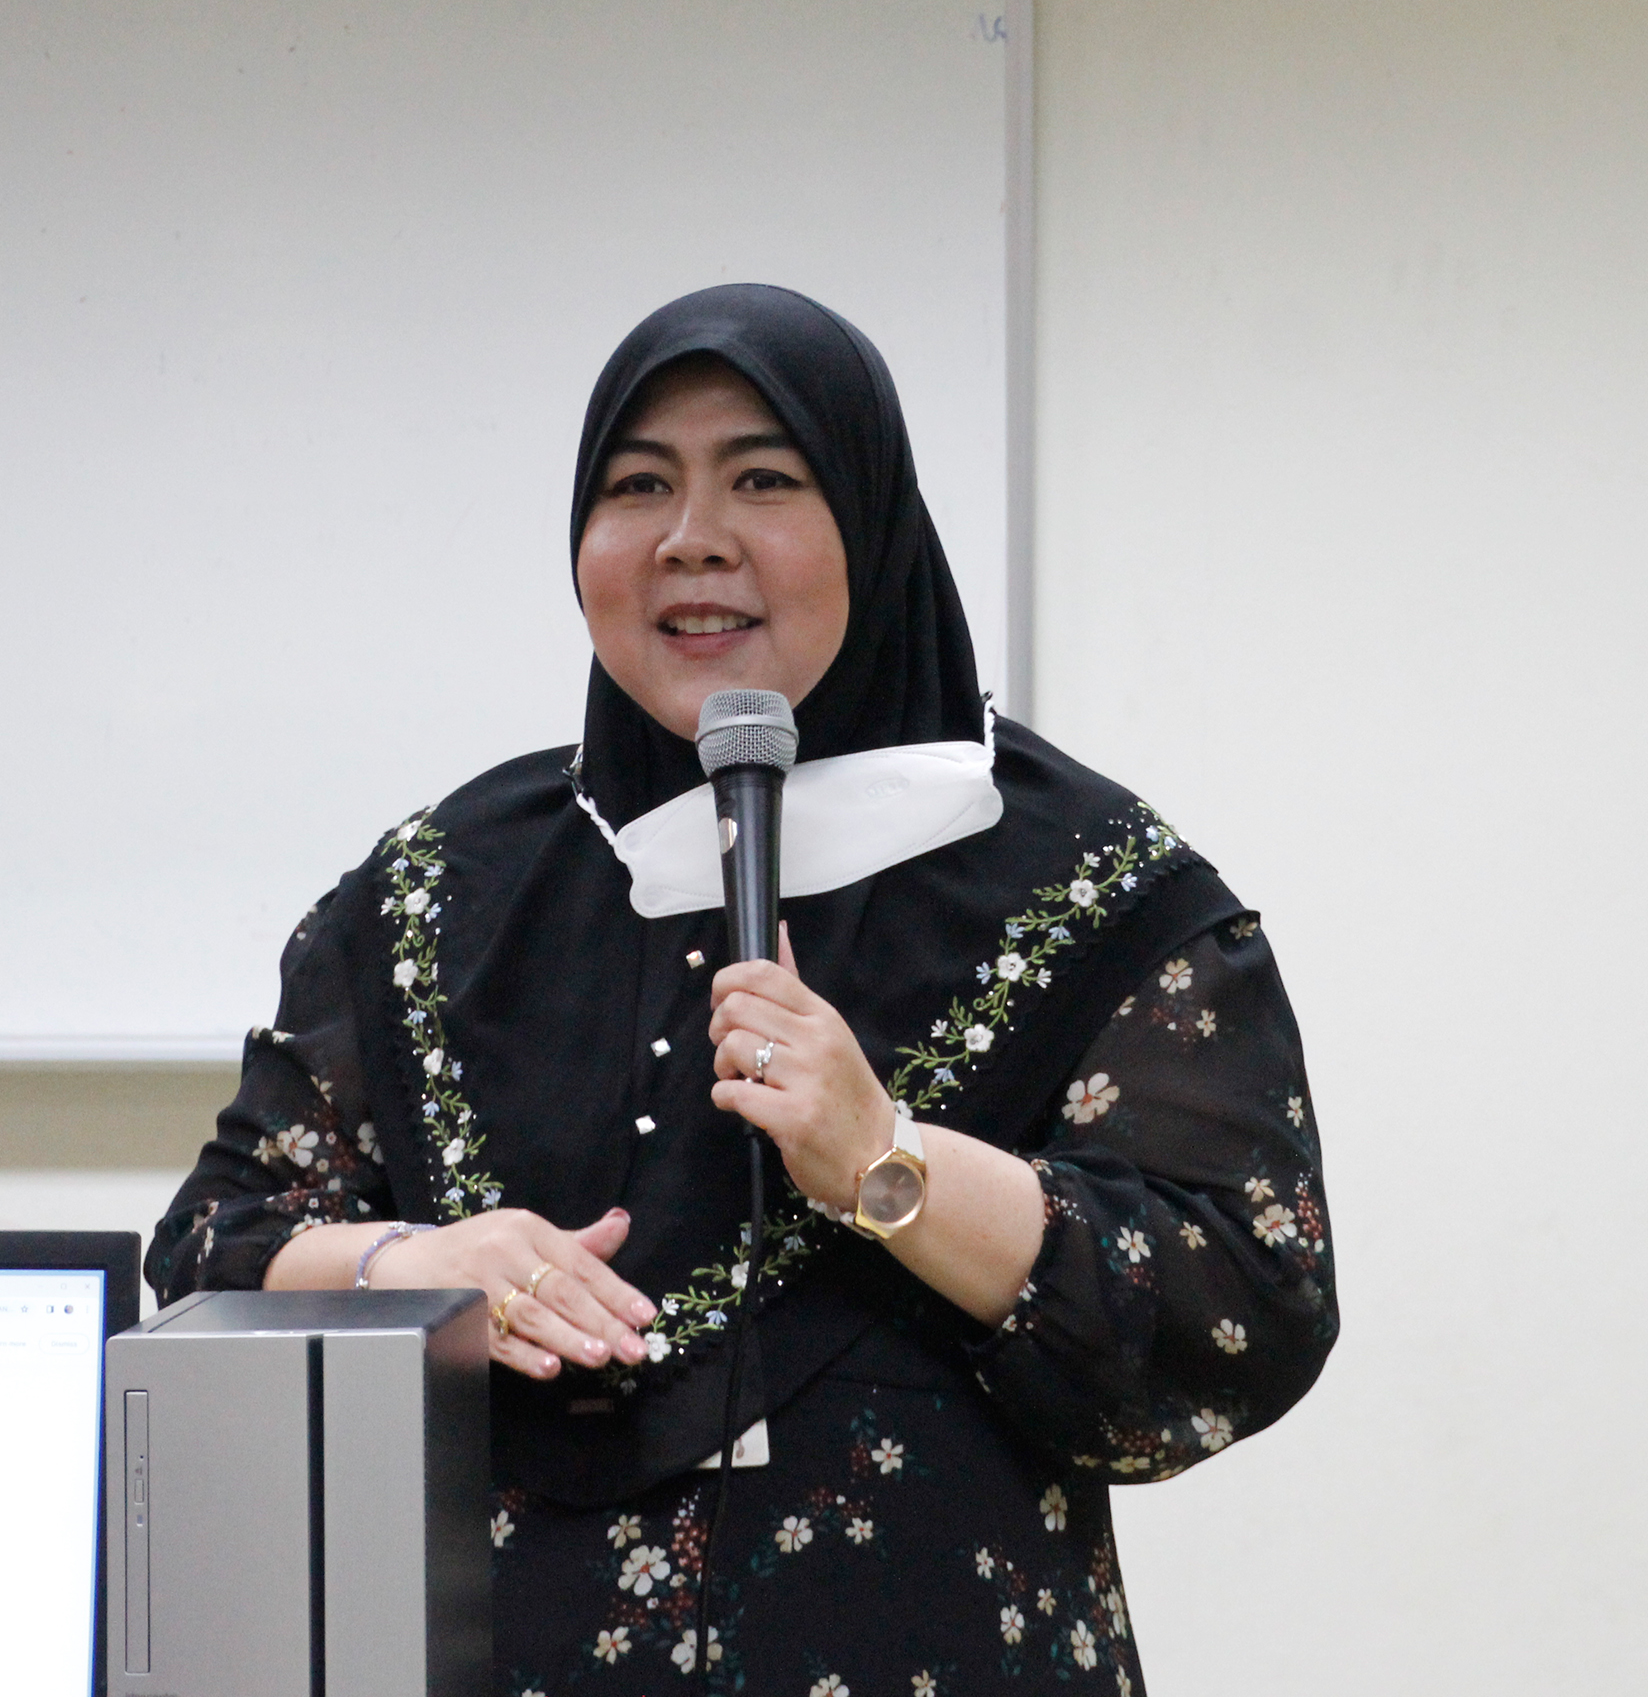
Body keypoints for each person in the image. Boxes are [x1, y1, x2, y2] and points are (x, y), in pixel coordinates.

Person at [149, 283, 1337, 1696]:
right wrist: (419, 1265)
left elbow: (1242, 1308)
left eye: (764, 480)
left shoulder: (1090, 885)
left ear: (873, 523)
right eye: (637, 485)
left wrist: (889, 1163)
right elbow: (214, 1246)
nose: (690, 537)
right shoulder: (437, 893)